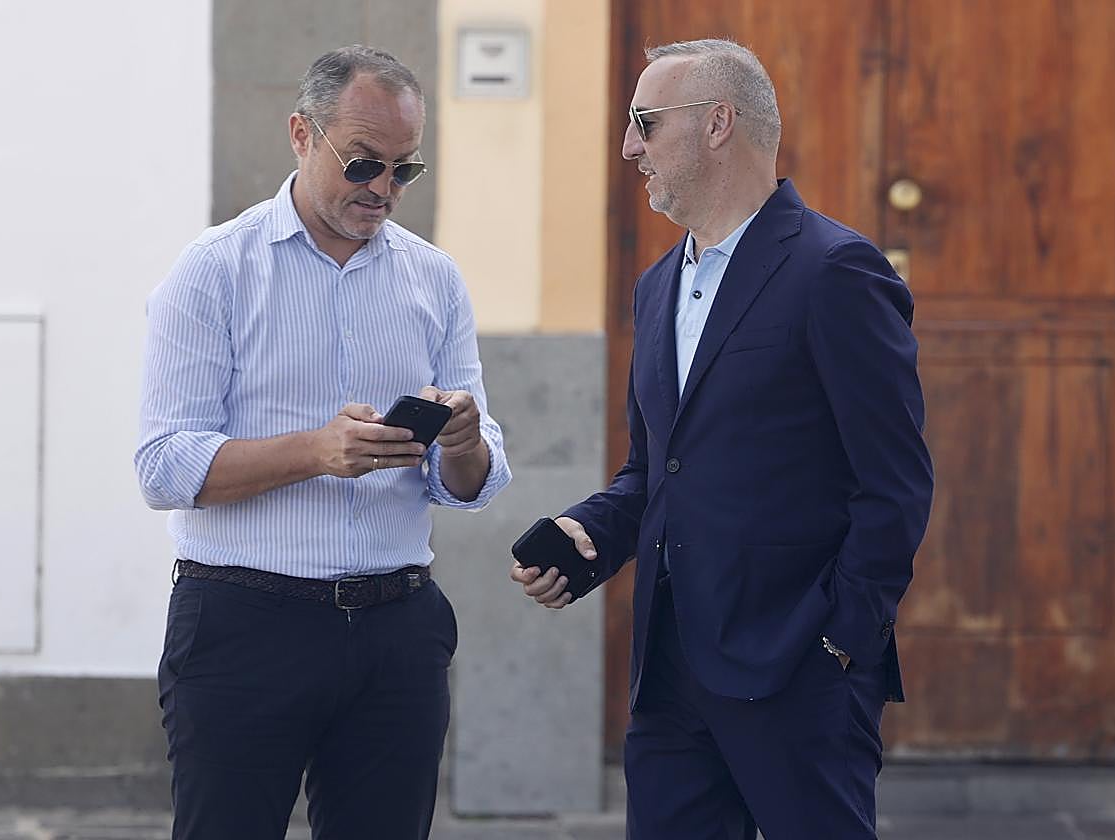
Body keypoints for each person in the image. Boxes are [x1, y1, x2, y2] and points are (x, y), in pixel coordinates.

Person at [511, 38, 933, 839]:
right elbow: (655, 470)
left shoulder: (836, 270)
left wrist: (840, 642)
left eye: (645, 122)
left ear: (717, 124)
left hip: (798, 676)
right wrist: (590, 532)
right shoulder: (658, 282)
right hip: (670, 679)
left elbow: (896, 485)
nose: (630, 146)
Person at [136, 45, 511, 840]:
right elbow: (163, 464)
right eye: (364, 164)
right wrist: (317, 452)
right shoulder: (214, 270)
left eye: (405, 171)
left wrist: (465, 439)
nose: (382, 189)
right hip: (245, 623)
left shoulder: (434, 278)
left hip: (396, 628)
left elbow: (471, 482)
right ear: (301, 134)